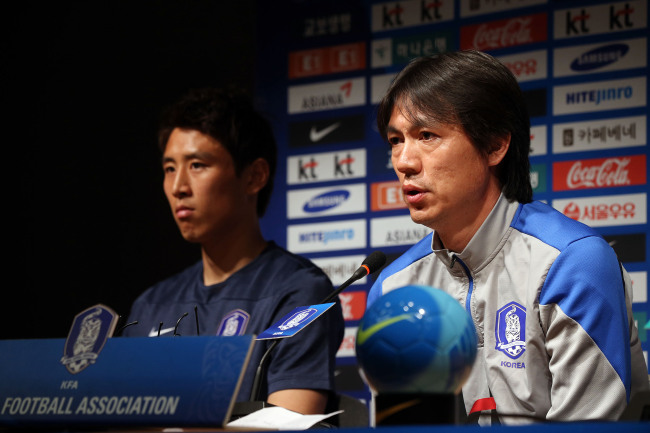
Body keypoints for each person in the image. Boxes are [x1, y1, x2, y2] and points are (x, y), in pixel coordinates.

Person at [367, 50, 648, 424]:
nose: (403, 161)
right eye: (395, 140)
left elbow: (586, 426)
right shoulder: (393, 289)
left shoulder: (570, 262)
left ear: (496, 145)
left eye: (426, 135)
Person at [122, 87, 344, 415]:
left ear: (254, 176)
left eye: (197, 165)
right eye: (170, 168)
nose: (178, 187)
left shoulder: (299, 293)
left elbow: (291, 422)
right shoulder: (151, 305)